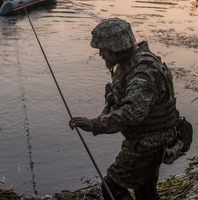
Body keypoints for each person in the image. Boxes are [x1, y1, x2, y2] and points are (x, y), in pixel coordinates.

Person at [69, 18, 183, 200]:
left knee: (111, 186)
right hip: (150, 139)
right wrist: (99, 119)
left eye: (103, 49)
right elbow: (115, 103)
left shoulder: (142, 72)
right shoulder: (128, 65)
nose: (100, 54)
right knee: (145, 191)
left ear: (116, 48)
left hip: (149, 143)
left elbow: (133, 113)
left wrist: (95, 124)